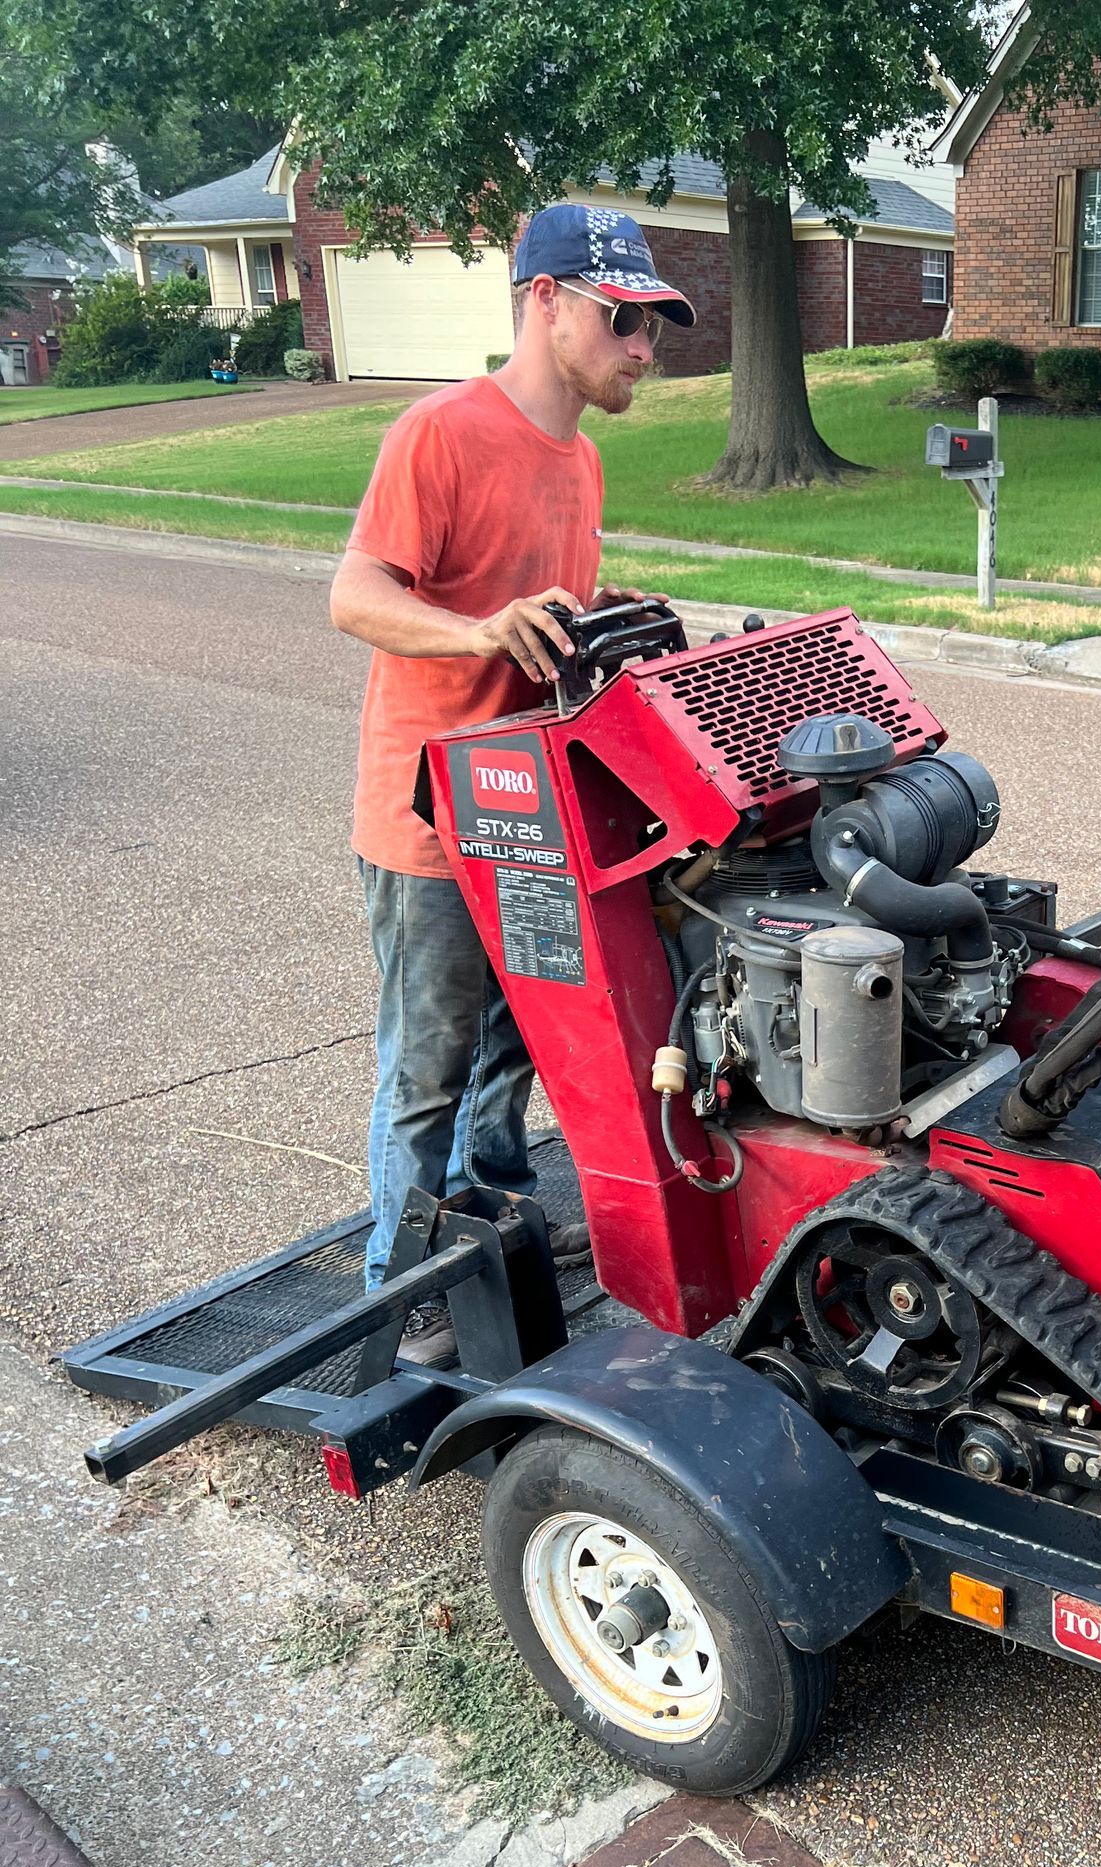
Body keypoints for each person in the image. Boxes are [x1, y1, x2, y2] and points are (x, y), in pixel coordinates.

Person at [329, 204, 695, 1361]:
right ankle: (403, 1285)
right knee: (427, 1067)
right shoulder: (439, 433)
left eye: (656, 325)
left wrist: (606, 616)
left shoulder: (579, 456)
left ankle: (494, 1200)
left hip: (531, 816)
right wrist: (484, 630)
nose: (645, 345)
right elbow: (356, 597)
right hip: (431, 822)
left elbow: (542, 614)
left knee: (523, 1035)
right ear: (545, 300)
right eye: (623, 318)